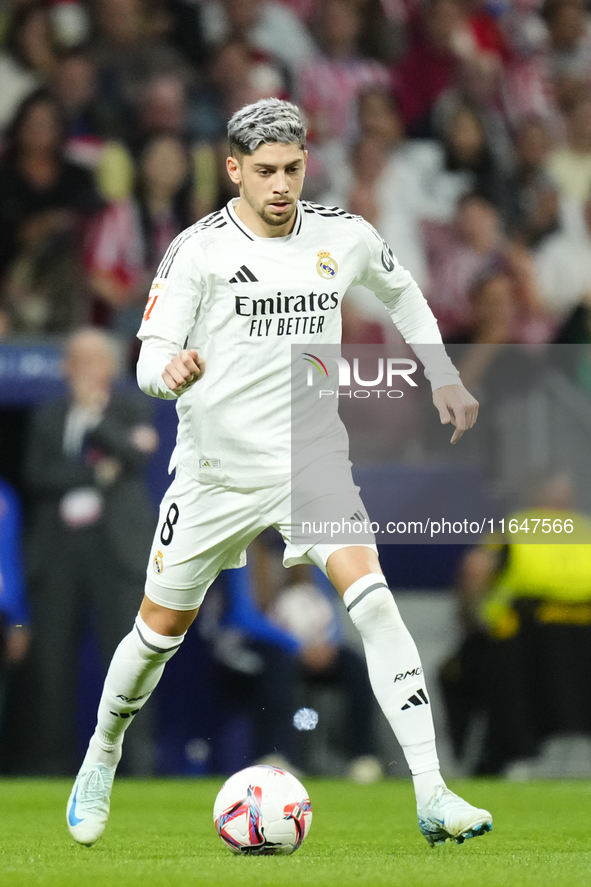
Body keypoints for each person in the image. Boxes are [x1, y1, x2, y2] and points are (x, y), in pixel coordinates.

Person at [66, 98, 492, 848]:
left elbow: (403, 294)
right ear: (232, 169)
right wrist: (171, 371)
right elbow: (146, 359)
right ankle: (101, 754)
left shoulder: (343, 235)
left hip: (311, 460)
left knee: (374, 602)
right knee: (156, 632)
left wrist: (443, 375)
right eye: (264, 170)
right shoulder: (197, 251)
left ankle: (431, 789)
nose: (281, 184)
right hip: (215, 473)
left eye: (292, 168)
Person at [25, 328, 159, 775]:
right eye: (74, 361)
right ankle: (50, 767)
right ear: (64, 368)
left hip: (115, 552)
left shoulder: (131, 407)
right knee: (52, 665)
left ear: (109, 367)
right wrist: (97, 475)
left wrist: (95, 418)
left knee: (127, 663)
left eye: (92, 360)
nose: (82, 370)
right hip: (59, 553)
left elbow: (137, 460)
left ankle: (136, 767)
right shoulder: (46, 415)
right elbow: (37, 475)